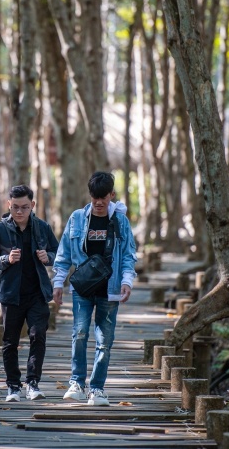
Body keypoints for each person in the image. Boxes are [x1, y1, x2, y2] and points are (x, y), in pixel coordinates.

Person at [52, 171, 137, 406]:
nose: (99, 202)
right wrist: (58, 283)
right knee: (79, 334)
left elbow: (128, 254)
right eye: (94, 197)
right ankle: (77, 383)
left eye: (103, 197)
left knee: (104, 340)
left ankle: (97, 389)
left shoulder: (120, 221)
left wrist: (127, 281)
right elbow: (64, 254)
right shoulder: (77, 219)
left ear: (112, 195)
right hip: (83, 287)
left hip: (110, 288)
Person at [0, 185, 59, 402]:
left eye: (24, 207)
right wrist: (5, 260)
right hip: (10, 294)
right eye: (15, 207)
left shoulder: (42, 227)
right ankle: (13, 386)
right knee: (10, 341)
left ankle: (33, 383)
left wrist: (48, 257)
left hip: (38, 293)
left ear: (32, 205)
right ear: (9, 205)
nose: (19, 211)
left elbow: (58, 252)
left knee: (38, 336)